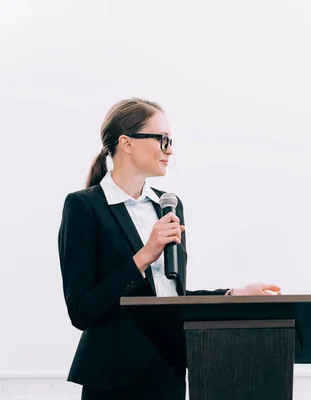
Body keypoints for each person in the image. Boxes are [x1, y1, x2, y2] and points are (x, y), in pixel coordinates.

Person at [58, 98, 281, 400]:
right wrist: (142, 257)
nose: (170, 150)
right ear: (126, 142)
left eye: (171, 141)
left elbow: (170, 299)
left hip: (169, 373)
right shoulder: (84, 207)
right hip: (112, 379)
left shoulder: (168, 204)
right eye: (162, 139)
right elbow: (81, 310)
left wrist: (233, 294)